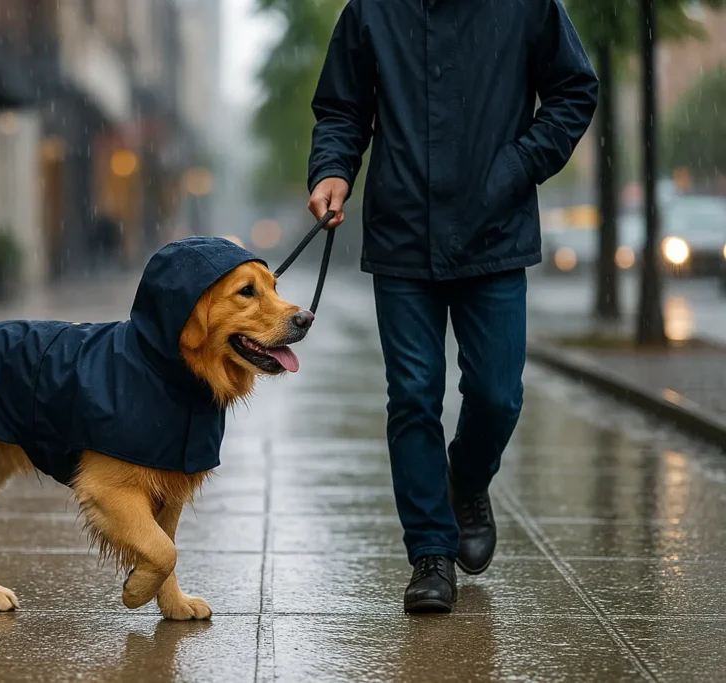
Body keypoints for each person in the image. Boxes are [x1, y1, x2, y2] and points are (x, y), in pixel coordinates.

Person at [307, 0, 598, 613]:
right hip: (401, 234)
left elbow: (575, 90)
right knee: (412, 394)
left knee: (497, 394)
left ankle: (465, 479)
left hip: (494, 231)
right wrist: (332, 169)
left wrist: (516, 166)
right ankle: (430, 556)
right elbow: (342, 106)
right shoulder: (371, 10)